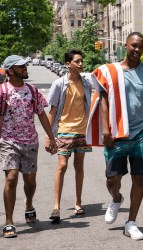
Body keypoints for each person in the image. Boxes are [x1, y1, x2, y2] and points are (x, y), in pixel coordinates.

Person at [87, 32, 143, 240]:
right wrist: (105, 130)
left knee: (139, 178)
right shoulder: (110, 72)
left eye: (141, 46)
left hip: (141, 134)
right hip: (116, 133)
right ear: (126, 45)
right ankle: (116, 198)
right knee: (113, 178)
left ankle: (131, 222)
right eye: (134, 46)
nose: (137, 50)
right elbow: (103, 101)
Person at [0, 55, 57, 238]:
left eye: (25, 65)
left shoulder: (33, 91)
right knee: (11, 178)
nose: (25, 68)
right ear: (11, 70)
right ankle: (9, 222)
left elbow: (42, 115)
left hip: (30, 142)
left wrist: (51, 137)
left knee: (30, 182)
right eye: (21, 66)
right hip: (9, 141)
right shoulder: (2, 92)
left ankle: (28, 203)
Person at [46, 49, 93, 221]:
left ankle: (78, 203)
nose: (81, 64)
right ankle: (56, 207)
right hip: (64, 129)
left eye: (82, 61)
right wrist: (48, 136)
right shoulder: (59, 84)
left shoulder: (86, 83)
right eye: (77, 61)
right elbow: (52, 110)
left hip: (82, 130)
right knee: (62, 166)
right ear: (68, 64)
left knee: (79, 166)